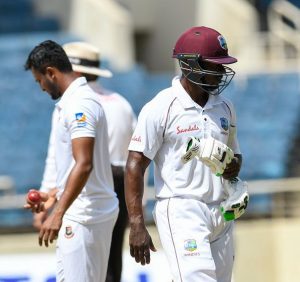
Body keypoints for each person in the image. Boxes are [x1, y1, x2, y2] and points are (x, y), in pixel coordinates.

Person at [125, 26, 248, 282]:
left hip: (221, 211)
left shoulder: (225, 107)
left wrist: (233, 166)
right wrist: (137, 223)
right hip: (182, 208)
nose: (222, 72)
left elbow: (236, 155)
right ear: (189, 64)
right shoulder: (162, 106)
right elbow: (135, 164)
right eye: (214, 66)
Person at [32, 41, 137, 282]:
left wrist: (53, 204)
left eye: (40, 80)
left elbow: (72, 161)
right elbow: (136, 157)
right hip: (115, 184)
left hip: (84, 196)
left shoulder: (76, 103)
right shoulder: (120, 103)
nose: (41, 88)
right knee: (111, 268)